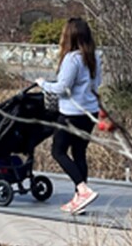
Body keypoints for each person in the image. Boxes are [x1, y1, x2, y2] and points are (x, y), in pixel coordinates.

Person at [35, 17, 102, 215]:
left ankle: (82, 190)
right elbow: (96, 84)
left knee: (58, 151)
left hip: (72, 113)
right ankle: (79, 200)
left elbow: (62, 88)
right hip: (90, 112)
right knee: (79, 153)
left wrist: (42, 84)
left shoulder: (72, 58)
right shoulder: (95, 56)